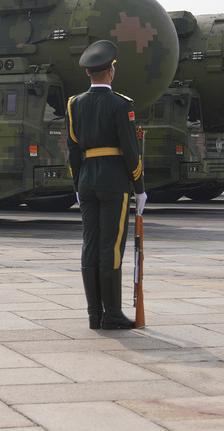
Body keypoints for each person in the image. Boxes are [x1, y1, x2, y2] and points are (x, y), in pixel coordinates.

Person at [65, 40, 147, 330]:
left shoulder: (74, 104)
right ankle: (111, 313)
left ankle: (93, 315)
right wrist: (139, 186)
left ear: (90, 73)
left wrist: (78, 183)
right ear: (110, 72)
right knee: (111, 247)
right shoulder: (121, 104)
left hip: (86, 182)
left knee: (90, 244)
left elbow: (73, 149)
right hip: (114, 182)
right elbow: (130, 149)